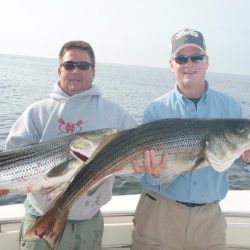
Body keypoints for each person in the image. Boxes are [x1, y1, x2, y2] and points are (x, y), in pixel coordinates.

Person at [5, 40, 136, 250]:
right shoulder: (36, 112)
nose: (76, 70)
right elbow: (12, 160)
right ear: (59, 70)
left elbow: (136, 152)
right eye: (69, 65)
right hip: (40, 217)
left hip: (87, 222)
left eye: (83, 66)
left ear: (93, 71)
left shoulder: (116, 114)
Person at [131, 28, 250, 250]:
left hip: (209, 220)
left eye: (196, 57)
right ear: (171, 65)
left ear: (206, 61)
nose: (189, 63)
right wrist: (154, 172)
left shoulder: (231, 109)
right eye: (181, 58)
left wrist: (247, 159)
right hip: (159, 214)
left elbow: (241, 166)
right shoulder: (156, 110)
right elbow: (153, 175)